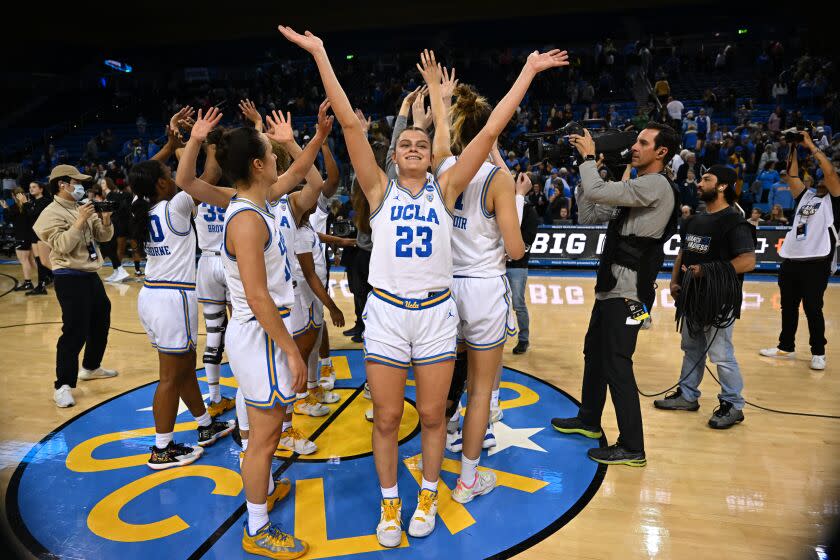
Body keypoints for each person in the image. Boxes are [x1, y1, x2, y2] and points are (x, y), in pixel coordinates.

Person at [281, 24, 567, 547]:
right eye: (405, 143)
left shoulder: (449, 187)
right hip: (388, 315)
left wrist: (527, 72)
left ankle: (429, 494)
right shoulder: (376, 188)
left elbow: (489, 131)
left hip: (437, 314)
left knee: (434, 415)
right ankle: (390, 507)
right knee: (388, 417)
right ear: (393, 156)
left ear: (431, 153)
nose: (413, 146)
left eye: (421, 142)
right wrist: (321, 54)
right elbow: (347, 122)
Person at [178, 106, 330, 558]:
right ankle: (257, 528)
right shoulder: (245, 218)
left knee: (267, 431)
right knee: (263, 439)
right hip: (261, 333)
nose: (279, 158)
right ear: (259, 165)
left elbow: (302, 169)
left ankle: (262, 496)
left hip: (267, 332)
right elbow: (258, 297)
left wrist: (313, 136)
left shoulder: (260, 200)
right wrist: (294, 352)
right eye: (271, 150)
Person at [550, 123, 681, 467]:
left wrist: (590, 159)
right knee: (594, 353)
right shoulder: (635, 187)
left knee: (617, 364)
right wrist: (590, 173)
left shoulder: (656, 184)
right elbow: (588, 212)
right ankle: (589, 420)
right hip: (612, 287)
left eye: (642, 142)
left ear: (662, 152)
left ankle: (632, 446)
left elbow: (598, 191)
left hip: (630, 293)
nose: (634, 147)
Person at [435, 77, 529, 503]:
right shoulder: (499, 181)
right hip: (483, 289)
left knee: (443, 380)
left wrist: (440, 97)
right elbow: (514, 247)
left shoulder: (443, 169)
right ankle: (468, 481)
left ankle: (439, 458)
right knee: (481, 391)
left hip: (444, 286)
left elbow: (441, 136)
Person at [127, 120, 235, 470]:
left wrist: (169, 141)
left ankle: (205, 426)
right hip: (173, 298)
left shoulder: (139, 204)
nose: (173, 175)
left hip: (153, 296)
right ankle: (161, 448)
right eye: (167, 172)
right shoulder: (176, 206)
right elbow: (212, 171)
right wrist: (198, 140)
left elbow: (138, 176)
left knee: (184, 370)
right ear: (161, 183)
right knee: (171, 377)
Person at [654, 165, 756, 428]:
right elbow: (682, 254)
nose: (699, 183)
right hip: (691, 298)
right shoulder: (693, 220)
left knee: (721, 354)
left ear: (722, 186)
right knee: (691, 349)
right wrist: (675, 281)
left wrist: (706, 271)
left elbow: (747, 261)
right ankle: (688, 395)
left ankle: (733, 404)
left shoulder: (735, 221)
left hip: (719, 300)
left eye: (706, 179)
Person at [33, 165, 120, 408]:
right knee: (74, 330)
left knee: (101, 320)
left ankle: (91, 367)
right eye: (76, 181)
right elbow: (61, 246)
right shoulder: (49, 214)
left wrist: (105, 220)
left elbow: (103, 238)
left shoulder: (81, 207)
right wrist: (80, 221)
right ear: (62, 184)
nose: (81, 186)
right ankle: (62, 385)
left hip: (90, 274)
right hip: (69, 277)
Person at [760, 135, 840, 370]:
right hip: (792, 258)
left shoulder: (835, 200)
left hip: (817, 260)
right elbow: (791, 175)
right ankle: (786, 346)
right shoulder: (807, 195)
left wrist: (811, 146)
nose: (823, 180)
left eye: (826, 178)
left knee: (813, 307)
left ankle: (818, 351)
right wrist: (794, 146)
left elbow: (831, 173)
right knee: (788, 305)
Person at [507, 174, 540, 354]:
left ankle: (523, 339)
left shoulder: (529, 211)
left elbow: (528, 240)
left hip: (518, 265)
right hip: (498, 264)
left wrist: (510, 253)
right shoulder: (503, 205)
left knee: (518, 303)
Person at [0, 188, 37, 291]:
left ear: (13, 196)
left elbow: (7, 220)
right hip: (30, 236)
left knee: (24, 260)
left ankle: (28, 283)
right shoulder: (28, 205)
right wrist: (7, 208)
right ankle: (46, 278)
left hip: (21, 237)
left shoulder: (15, 207)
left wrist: (5, 208)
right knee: (30, 260)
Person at [27, 181, 54, 294]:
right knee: (39, 261)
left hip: (42, 233)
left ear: (41, 189)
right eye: (30, 187)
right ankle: (44, 282)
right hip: (34, 233)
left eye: (34, 187)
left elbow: (34, 214)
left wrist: (25, 203)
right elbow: (29, 216)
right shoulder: (33, 201)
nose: (31, 189)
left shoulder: (46, 201)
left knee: (44, 261)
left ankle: (43, 284)